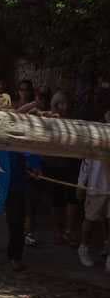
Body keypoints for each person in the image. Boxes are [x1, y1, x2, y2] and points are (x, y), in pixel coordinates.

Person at [0, 151, 42, 271]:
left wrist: (35, 165)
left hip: (15, 178)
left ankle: (15, 256)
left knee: (16, 221)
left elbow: (29, 148)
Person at [41, 90, 81, 246]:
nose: (64, 106)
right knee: (56, 199)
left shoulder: (74, 120)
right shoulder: (48, 119)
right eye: (60, 103)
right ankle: (58, 231)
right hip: (53, 164)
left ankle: (69, 231)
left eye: (65, 103)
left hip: (71, 163)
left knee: (72, 198)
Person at [77, 111, 110, 271]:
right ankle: (83, 248)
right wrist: (81, 184)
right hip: (96, 187)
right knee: (90, 220)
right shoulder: (96, 137)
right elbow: (86, 164)